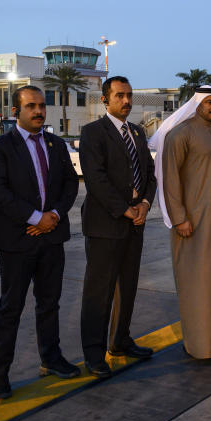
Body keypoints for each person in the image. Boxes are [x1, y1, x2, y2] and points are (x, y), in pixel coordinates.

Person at [0, 86, 80, 399]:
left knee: (49, 304)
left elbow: (69, 185)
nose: (38, 111)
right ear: (16, 112)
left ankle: (51, 359)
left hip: (52, 238)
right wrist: (34, 217)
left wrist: (52, 215)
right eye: (31, 106)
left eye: (41, 106)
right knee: (10, 308)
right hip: (16, 240)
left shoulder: (56, 144)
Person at [151, 86, 211, 359]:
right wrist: (179, 218)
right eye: (209, 102)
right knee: (198, 284)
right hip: (193, 223)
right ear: (197, 104)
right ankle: (201, 346)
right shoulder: (180, 134)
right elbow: (169, 180)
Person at [78, 76, 157, 378]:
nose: (126, 101)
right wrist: (126, 209)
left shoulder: (137, 132)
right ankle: (94, 353)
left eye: (129, 95)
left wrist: (145, 205)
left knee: (128, 287)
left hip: (134, 223)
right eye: (120, 96)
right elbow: (96, 179)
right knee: (99, 292)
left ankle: (120, 340)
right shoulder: (93, 133)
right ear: (105, 100)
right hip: (105, 226)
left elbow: (149, 174)